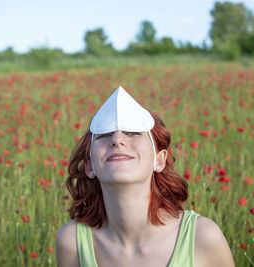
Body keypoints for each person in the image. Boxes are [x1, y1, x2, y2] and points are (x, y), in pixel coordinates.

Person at [56, 87, 235, 267]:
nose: (117, 139)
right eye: (104, 135)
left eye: (133, 133)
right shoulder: (71, 242)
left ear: (159, 160)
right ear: (89, 166)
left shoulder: (202, 237)